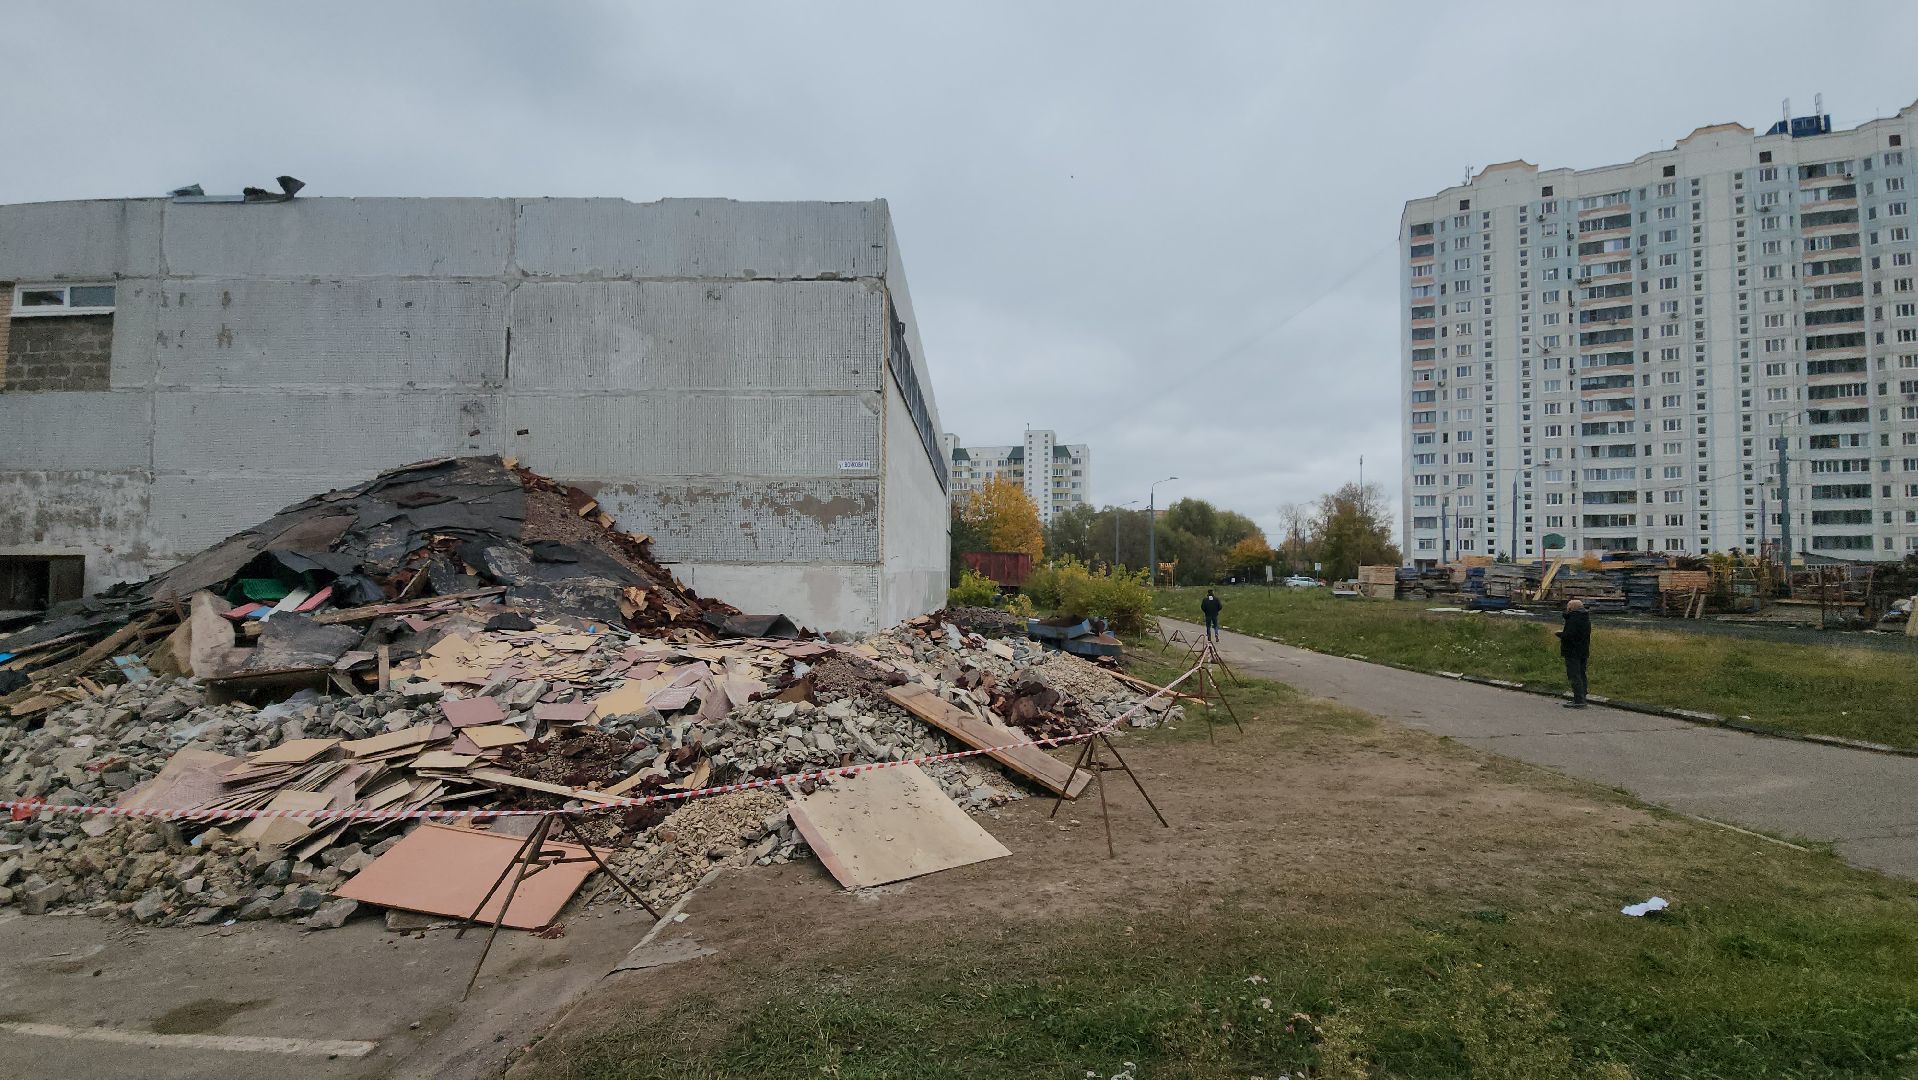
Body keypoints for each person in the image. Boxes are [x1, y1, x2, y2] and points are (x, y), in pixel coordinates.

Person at [1556, 598, 1591, 708]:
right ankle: (1583, 696)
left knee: (1574, 675)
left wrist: (1560, 634)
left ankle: (1578, 700)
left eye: (1568, 607)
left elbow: (1570, 635)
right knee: (1581, 673)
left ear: (1571, 608)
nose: (1566, 609)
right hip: (1583, 650)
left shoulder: (1574, 619)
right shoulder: (1585, 617)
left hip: (1572, 651)